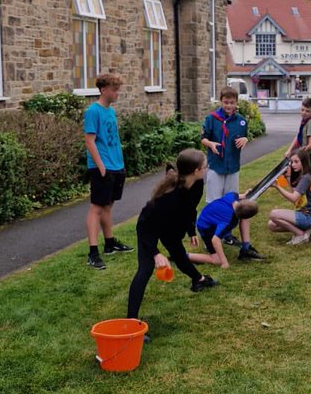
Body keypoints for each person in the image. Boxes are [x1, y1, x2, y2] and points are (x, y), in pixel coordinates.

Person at [127, 150, 219, 335]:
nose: (207, 168)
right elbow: (146, 226)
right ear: (195, 170)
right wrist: (155, 253)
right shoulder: (167, 197)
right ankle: (131, 321)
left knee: (179, 254)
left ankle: (198, 280)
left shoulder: (198, 184)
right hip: (149, 227)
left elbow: (189, 209)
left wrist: (191, 230)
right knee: (145, 270)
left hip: (170, 225)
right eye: (205, 166)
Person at [83, 71, 133, 269]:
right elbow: (89, 140)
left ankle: (110, 244)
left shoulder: (110, 111)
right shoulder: (93, 111)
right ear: (103, 90)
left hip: (116, 165)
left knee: (107, 205)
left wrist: (119, 164)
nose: (117, 93)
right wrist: (101, 166)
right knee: (96, 208)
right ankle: (93, 253)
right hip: (101, 167)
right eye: (114, 90)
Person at [201, 86, 249, 208]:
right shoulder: (211, 118)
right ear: (221, 101)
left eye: (232, 103)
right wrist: (210, 144)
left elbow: (244, 137)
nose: (228, 106)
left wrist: (245, 139)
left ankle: (227, 225)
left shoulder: (241, 121)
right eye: (226, 102)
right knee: (213, 200)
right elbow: (203, 139)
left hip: (233, 166)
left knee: (231, 199)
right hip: (216, 164)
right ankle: (212, 225)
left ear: (236, 103)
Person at [190, 194, 262, 269]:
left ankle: (245, 249)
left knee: (244, 215)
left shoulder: (232, 197)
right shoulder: (228, 221)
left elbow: (237, 195)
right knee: (217, 260)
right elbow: (215, 240)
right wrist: (224, 262)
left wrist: (244, 195)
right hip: (205, 228)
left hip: (208, 215)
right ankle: (182, 255)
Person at [267, 148, 311, 246]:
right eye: (291, 162)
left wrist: (277, 186)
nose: (293, 165)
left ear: (304, 162)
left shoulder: (305, 178)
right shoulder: (303, 176)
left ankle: (300, 234)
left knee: (273, 214)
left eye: (296, 162)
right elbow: (296, 196)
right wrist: (288, 178)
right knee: (271, 225)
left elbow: (293, 198)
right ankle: (304, 229)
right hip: (303, 213)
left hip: (308, 216)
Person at [285, 97, 311, 183]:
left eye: (307, 111)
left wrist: (299, 154)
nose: (304, 113)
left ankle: (307, 196)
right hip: (304, 154)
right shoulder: (305, 120)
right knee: (299, 178)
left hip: (310, 155)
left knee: (307, 181)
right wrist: (290, 150)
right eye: (302, 110)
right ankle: (299, 195)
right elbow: (298, 136)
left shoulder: (310, 122)